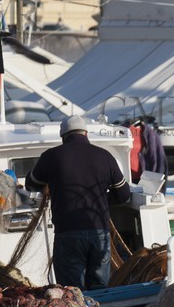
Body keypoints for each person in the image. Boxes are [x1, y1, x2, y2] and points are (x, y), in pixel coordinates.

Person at [25, 115, 131, 289]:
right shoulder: (105, 156)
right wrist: (102, 200)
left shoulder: (51, 157)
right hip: (99, 234)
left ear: (63, 136)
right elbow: (124, 194)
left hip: (68, 234)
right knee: (99, 290)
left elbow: (31, 184)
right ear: (86, 133)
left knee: (71, 293)